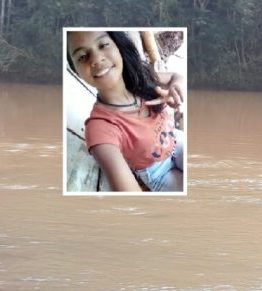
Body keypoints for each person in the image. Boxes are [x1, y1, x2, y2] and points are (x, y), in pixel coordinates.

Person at [66, 30, 185, 192]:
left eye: (103, 45)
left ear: (118, 46)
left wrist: (176, 87)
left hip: (177, 141)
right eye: (82, 56)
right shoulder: (100, 129)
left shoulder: (141, 79)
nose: (96, 59)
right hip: (158, 173)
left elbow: (176, 77)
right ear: (76, 70)